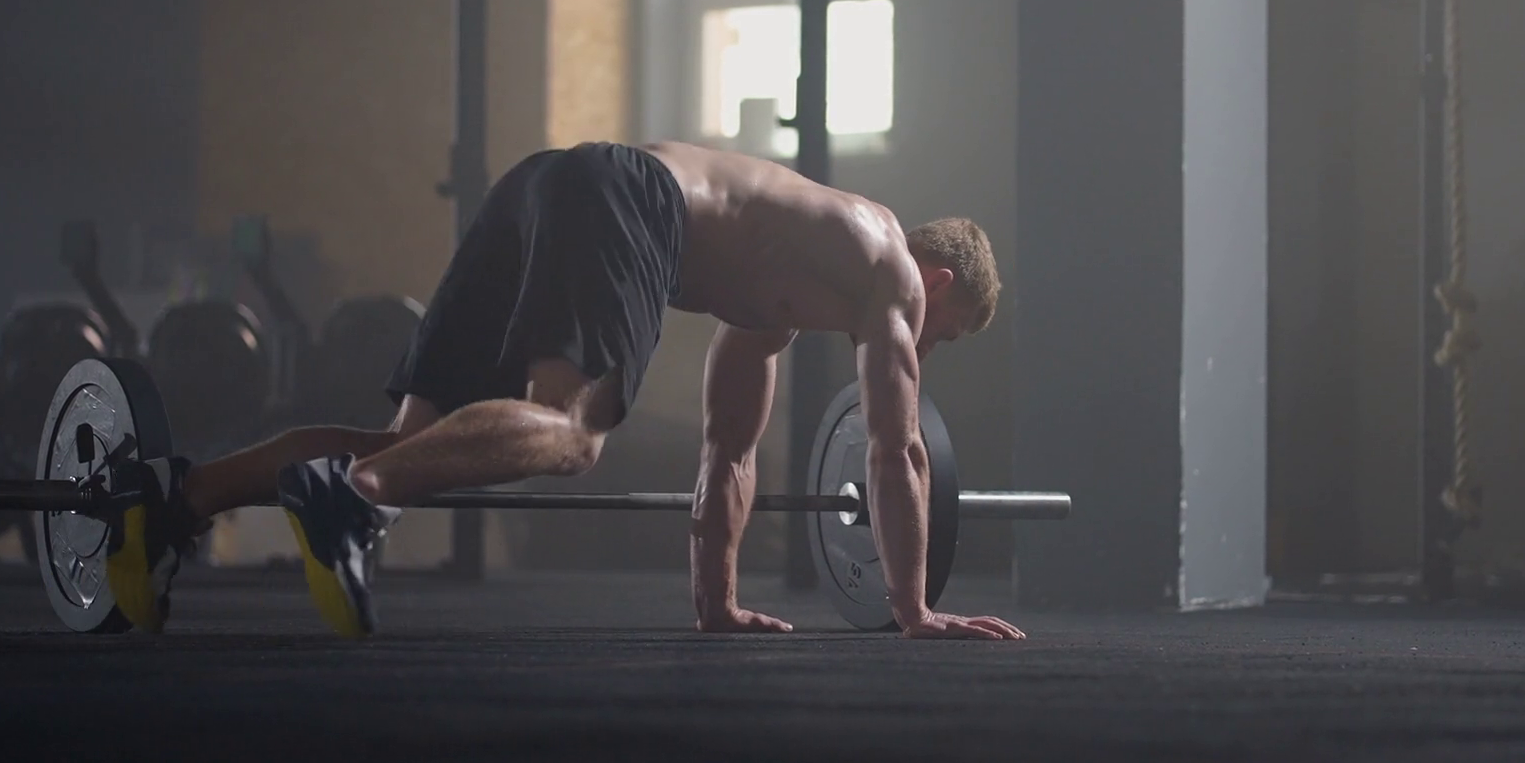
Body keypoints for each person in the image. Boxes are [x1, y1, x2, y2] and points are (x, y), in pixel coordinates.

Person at [102, 141, 1024, 642]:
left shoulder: (779, 289)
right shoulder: (892, 265)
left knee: (413, 445)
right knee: (577, 432)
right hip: (631, 195)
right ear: (939, 287)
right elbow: (896, 449)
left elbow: (727, 453)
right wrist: (915, 611)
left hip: (544, 183)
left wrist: (718, 605)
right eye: (940, 336)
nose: (923, 349)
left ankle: (174, 500)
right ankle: (352, 499)